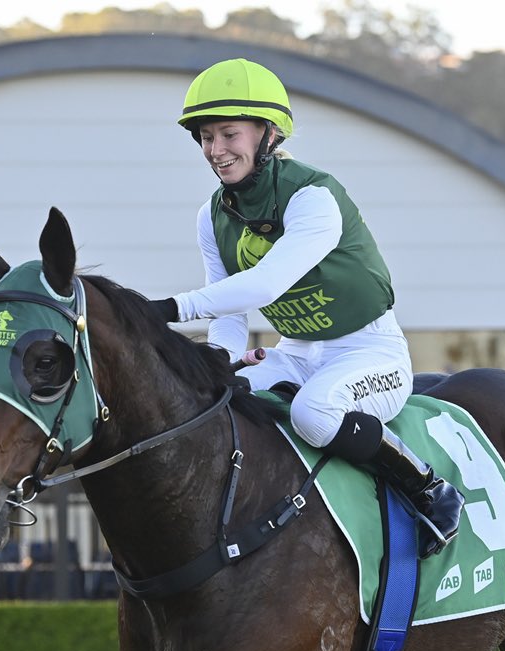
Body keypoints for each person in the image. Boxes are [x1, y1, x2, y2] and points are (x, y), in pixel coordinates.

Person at [148, 58, 465, 558]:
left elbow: (266, 283)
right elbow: (230, 311)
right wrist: (223, 361)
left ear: (268, 134)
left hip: (370, 354)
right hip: (295, 352)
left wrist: (168, 308)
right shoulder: (211, 216)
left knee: (313, 413)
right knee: (203, 400)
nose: (216, 150)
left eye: (229, 134)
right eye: (207, 137)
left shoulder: (314, 196)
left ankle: (428, 487)